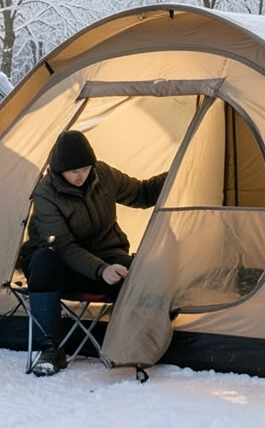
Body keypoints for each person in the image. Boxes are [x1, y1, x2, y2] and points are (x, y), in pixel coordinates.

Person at [18, 130, 167, 376]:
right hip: (61, 265)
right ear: (59, 170)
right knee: (43, 261)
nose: (81, 176)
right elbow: (63, 246)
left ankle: (132, 344)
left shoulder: (103, 175)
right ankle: (50, 348)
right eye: (74, 171)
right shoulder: (46, 194)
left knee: (135, 274)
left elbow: (142, 194)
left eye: (85, 169)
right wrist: (100, 269)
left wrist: (178, 173)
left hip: (106, 256)